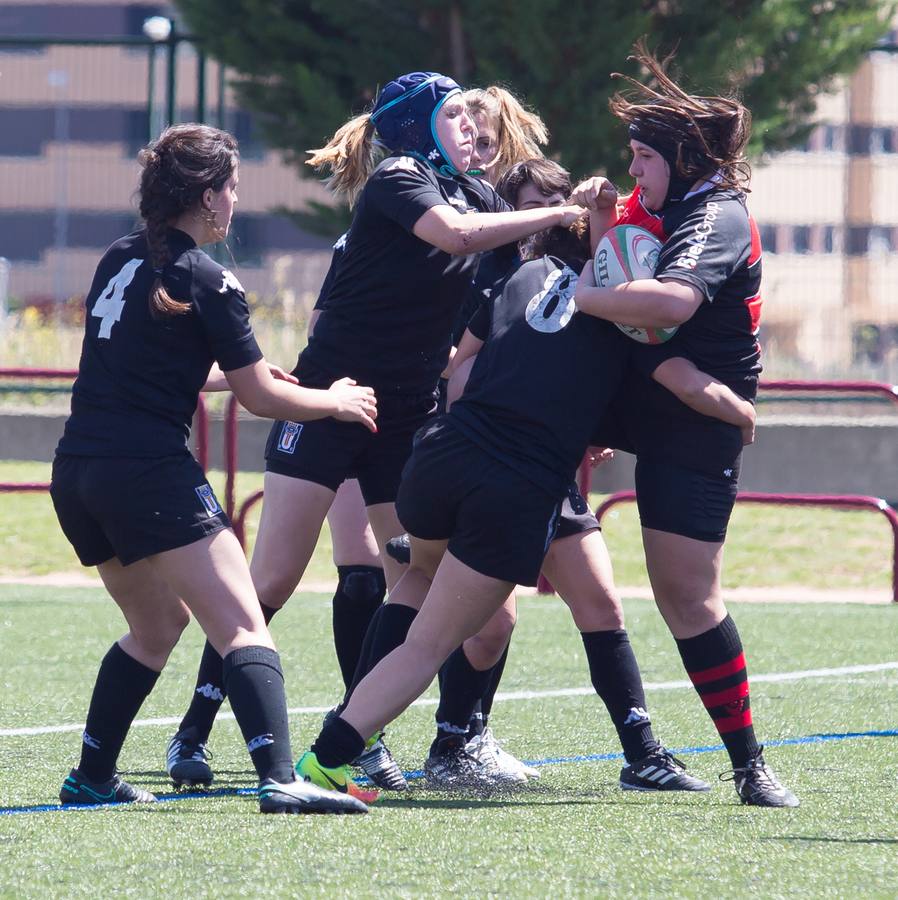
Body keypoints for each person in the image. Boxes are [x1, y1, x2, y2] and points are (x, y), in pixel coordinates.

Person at [165, 71, 585, 797]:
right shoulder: (398, 177)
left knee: (415, 578)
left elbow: (519, 283)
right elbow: (454, 236)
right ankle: (192, 733)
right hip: (332, 403)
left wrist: (602, 224)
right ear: (419, 125)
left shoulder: (481, 197)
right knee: (272, 580)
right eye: (453, 115)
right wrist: (546, 216)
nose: (471, 128)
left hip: (407, 417)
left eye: (470, 116)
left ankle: (359, 735)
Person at [294, 170, 760, 801]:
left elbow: (460, 369)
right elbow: (678, 380)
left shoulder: (521, 278)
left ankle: (371, 748)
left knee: (419, 583)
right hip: (513, 484)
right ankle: (330, 762)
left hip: (440, 457)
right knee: (433, 642)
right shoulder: (621, 324)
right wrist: (741, 411)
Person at [49, 123, 378, 815]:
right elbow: (264, 396)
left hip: (80, 472)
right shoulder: (208, 274)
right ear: (205, 196)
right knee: (242, 624)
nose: (234, 201)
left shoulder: (120, 257)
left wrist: (237, 378)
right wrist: (333, 400)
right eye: (231, 188)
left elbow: (151, 364)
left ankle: (91, 777)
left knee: (156, 627)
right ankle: (282, 778)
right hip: (147, 470)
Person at [573, 43, 798, 808]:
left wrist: (586, 300)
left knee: (685, 593)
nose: (634, 172)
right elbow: (614, 269)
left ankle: (749, 763)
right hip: (647, 389)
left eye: (642, 158)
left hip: (693, 419)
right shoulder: (657, 205)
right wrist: (605, 216)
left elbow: (665, 305)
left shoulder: (718, 213)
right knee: (517, 434)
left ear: (679, 157)